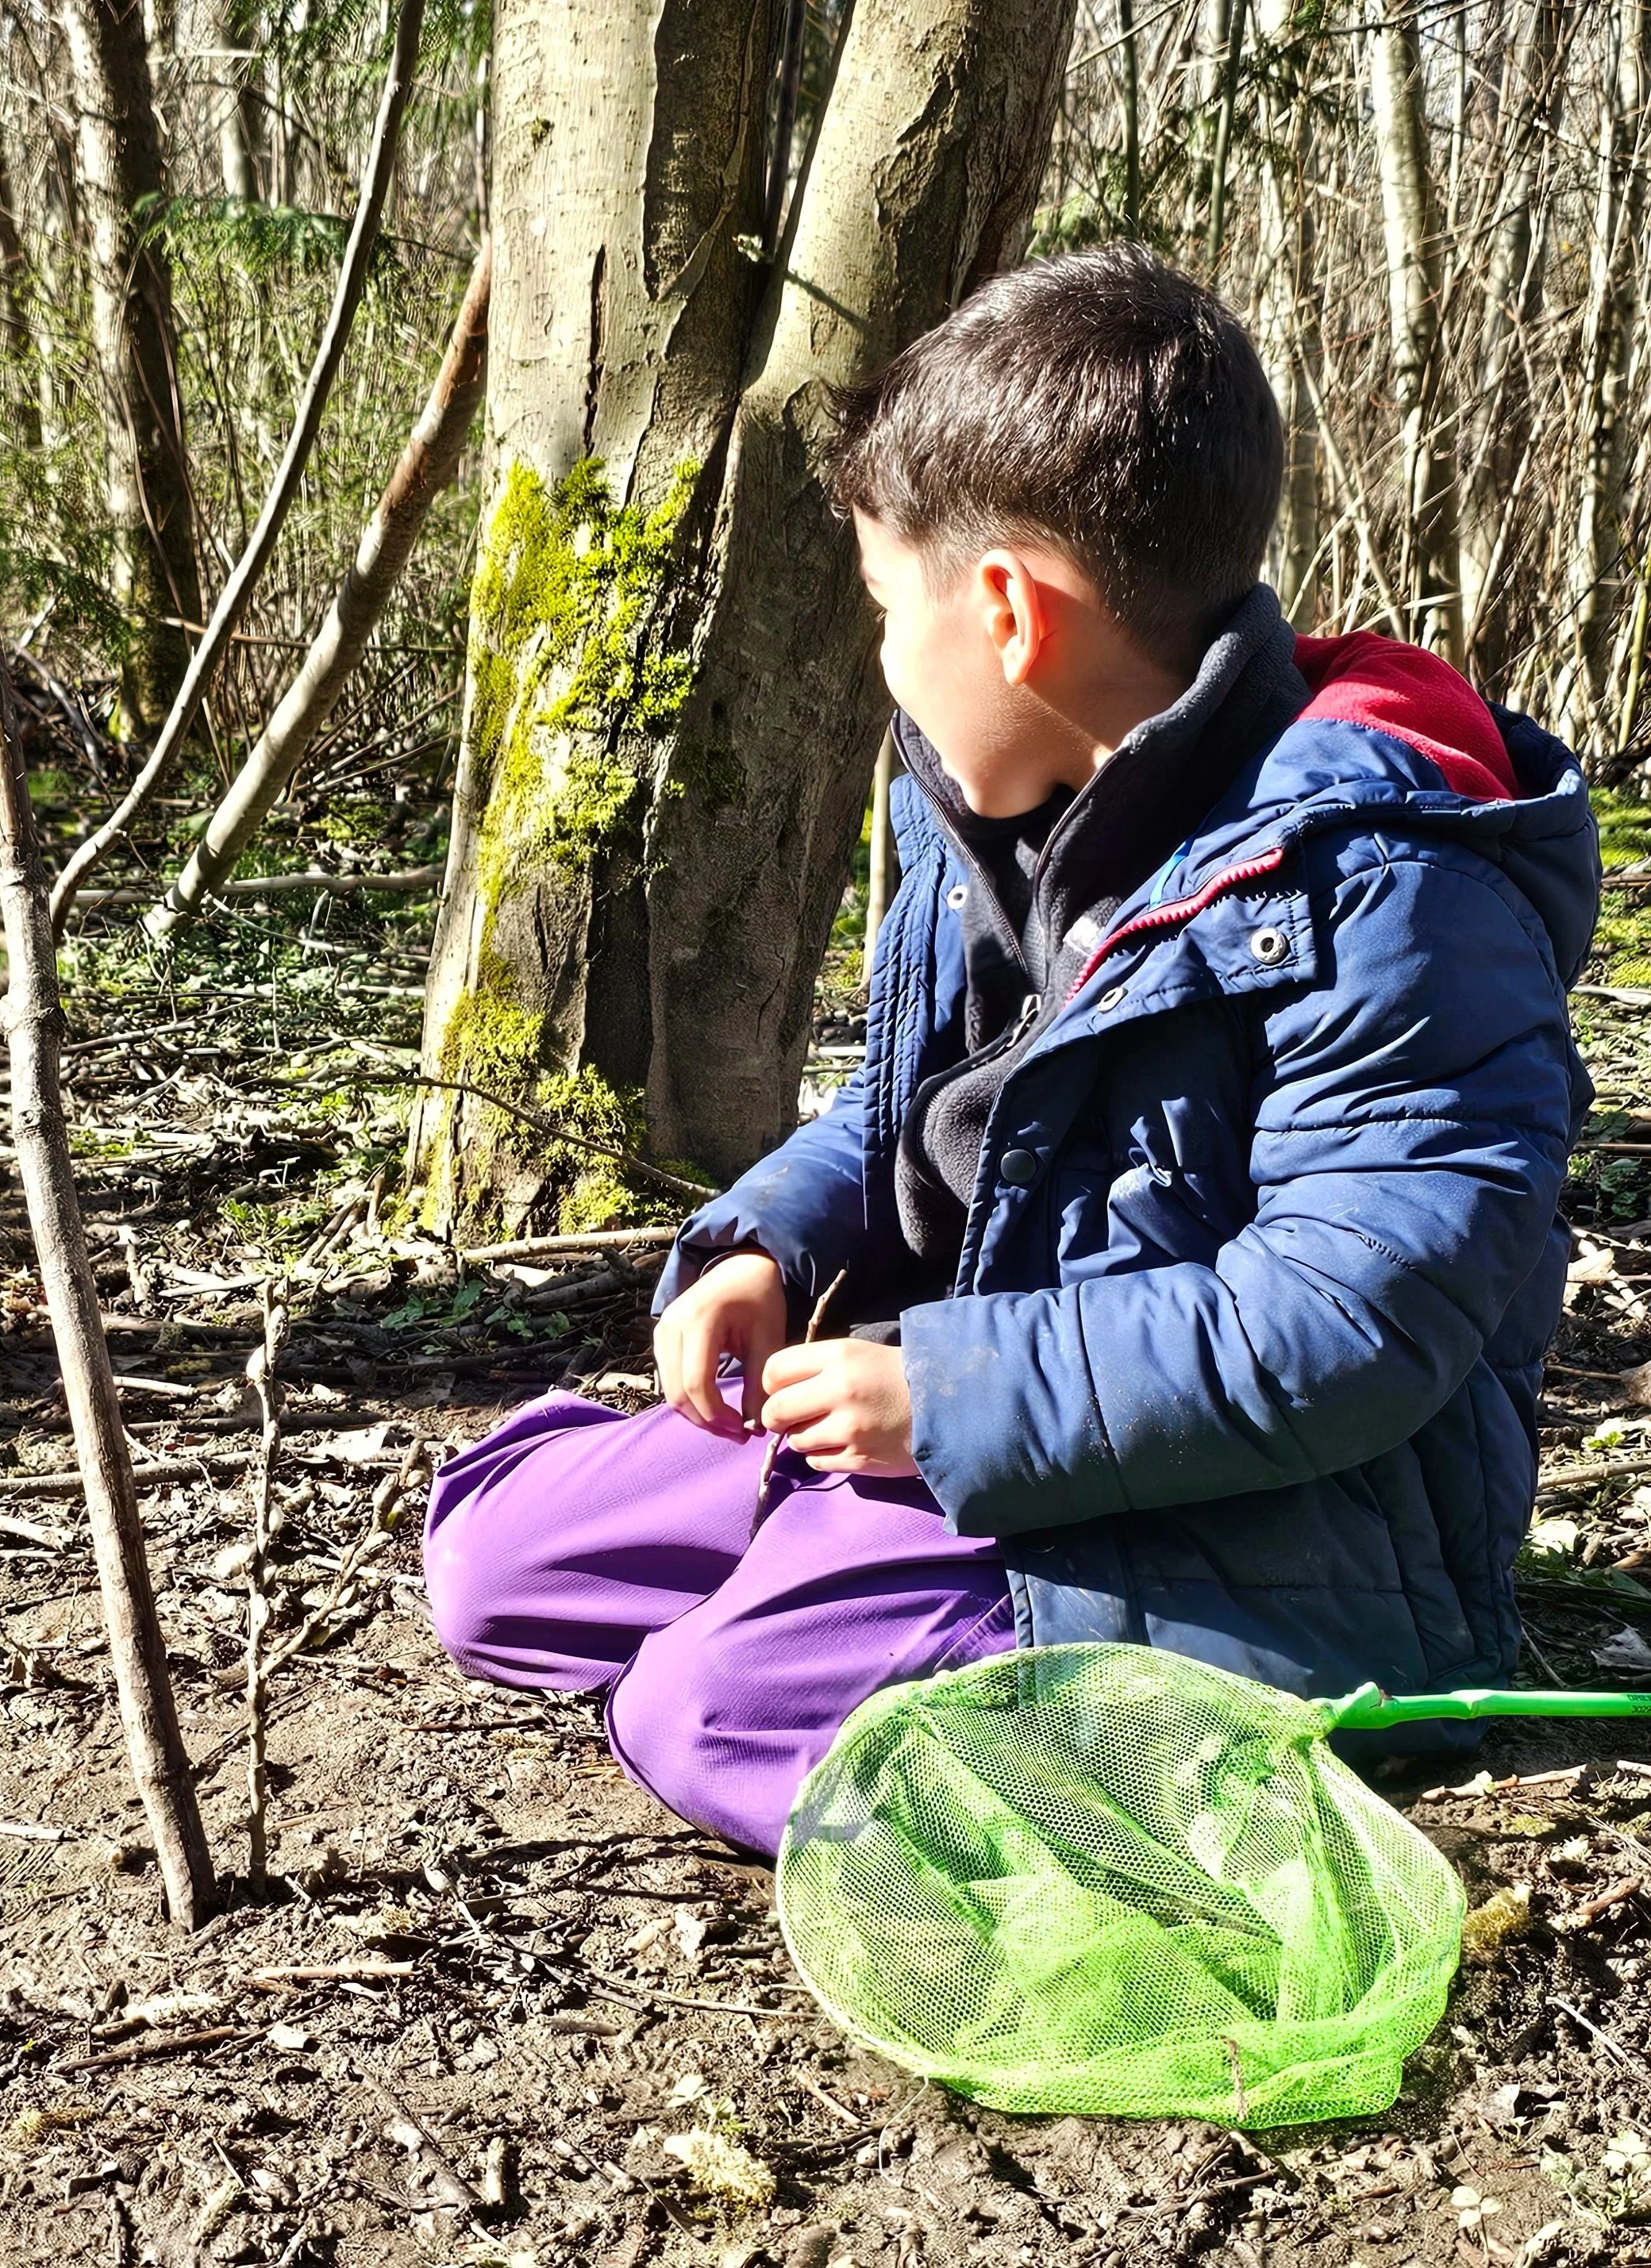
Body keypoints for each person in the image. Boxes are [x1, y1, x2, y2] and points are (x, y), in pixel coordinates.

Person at [423, 244, 1601, 1860]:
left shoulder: (1387, 882)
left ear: (1006, 613)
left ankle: (960, 1666)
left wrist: (950, 1397)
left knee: (704, 1711)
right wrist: (770, 1237)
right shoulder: (996, 807)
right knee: (493, 1554)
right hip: (981, 1423)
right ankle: (825, 1587)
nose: (882, 659)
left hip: (1252, 1524)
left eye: (882, 607)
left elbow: (1351, 1317)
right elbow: (912, 1110)